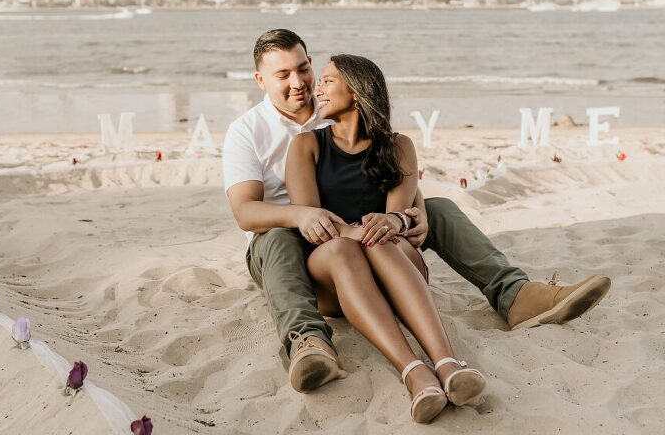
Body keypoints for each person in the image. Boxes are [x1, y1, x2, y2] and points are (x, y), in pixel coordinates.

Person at [222, 29, 611, 398]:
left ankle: (515, 294)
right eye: (284, 74)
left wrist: (409, 214)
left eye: (305, 69)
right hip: (294, 244)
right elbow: (245, 212)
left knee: (438, 208)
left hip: (371, 237)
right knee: (278, 237)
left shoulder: (341, 115)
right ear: (261, 80)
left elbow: (389, 174)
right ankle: (307, 340)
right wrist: (300, 216)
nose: (301, 83)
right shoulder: (250, 132)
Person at [284, 53, 487, 422]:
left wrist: (393, 221)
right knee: (348, 247)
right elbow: (312, 221)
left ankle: (447, 365)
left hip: (396, 268)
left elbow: (402, 215)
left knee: (379, 239)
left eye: (328, 81)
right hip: (334, 273)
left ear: (357, 92)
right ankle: (414, 372)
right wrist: (355, 231)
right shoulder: (306, 146)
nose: (318, 88)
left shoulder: (399, 146)